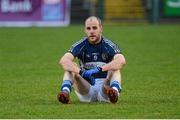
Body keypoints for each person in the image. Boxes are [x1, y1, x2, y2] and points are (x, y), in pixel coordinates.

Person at [57, 16, 126, 104]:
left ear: (101, 29)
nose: (91, 31)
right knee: (71, 67)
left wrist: (100, 69)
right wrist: (81, 72)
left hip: (105, 89)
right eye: (88, 28)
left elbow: (121, 60)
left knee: (115, 68)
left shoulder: (108, 45)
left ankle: (114, 92)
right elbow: (63, 61)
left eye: (94, 28)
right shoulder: (80, 45)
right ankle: (65, 93)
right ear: (85, 30)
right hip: (86, 89)